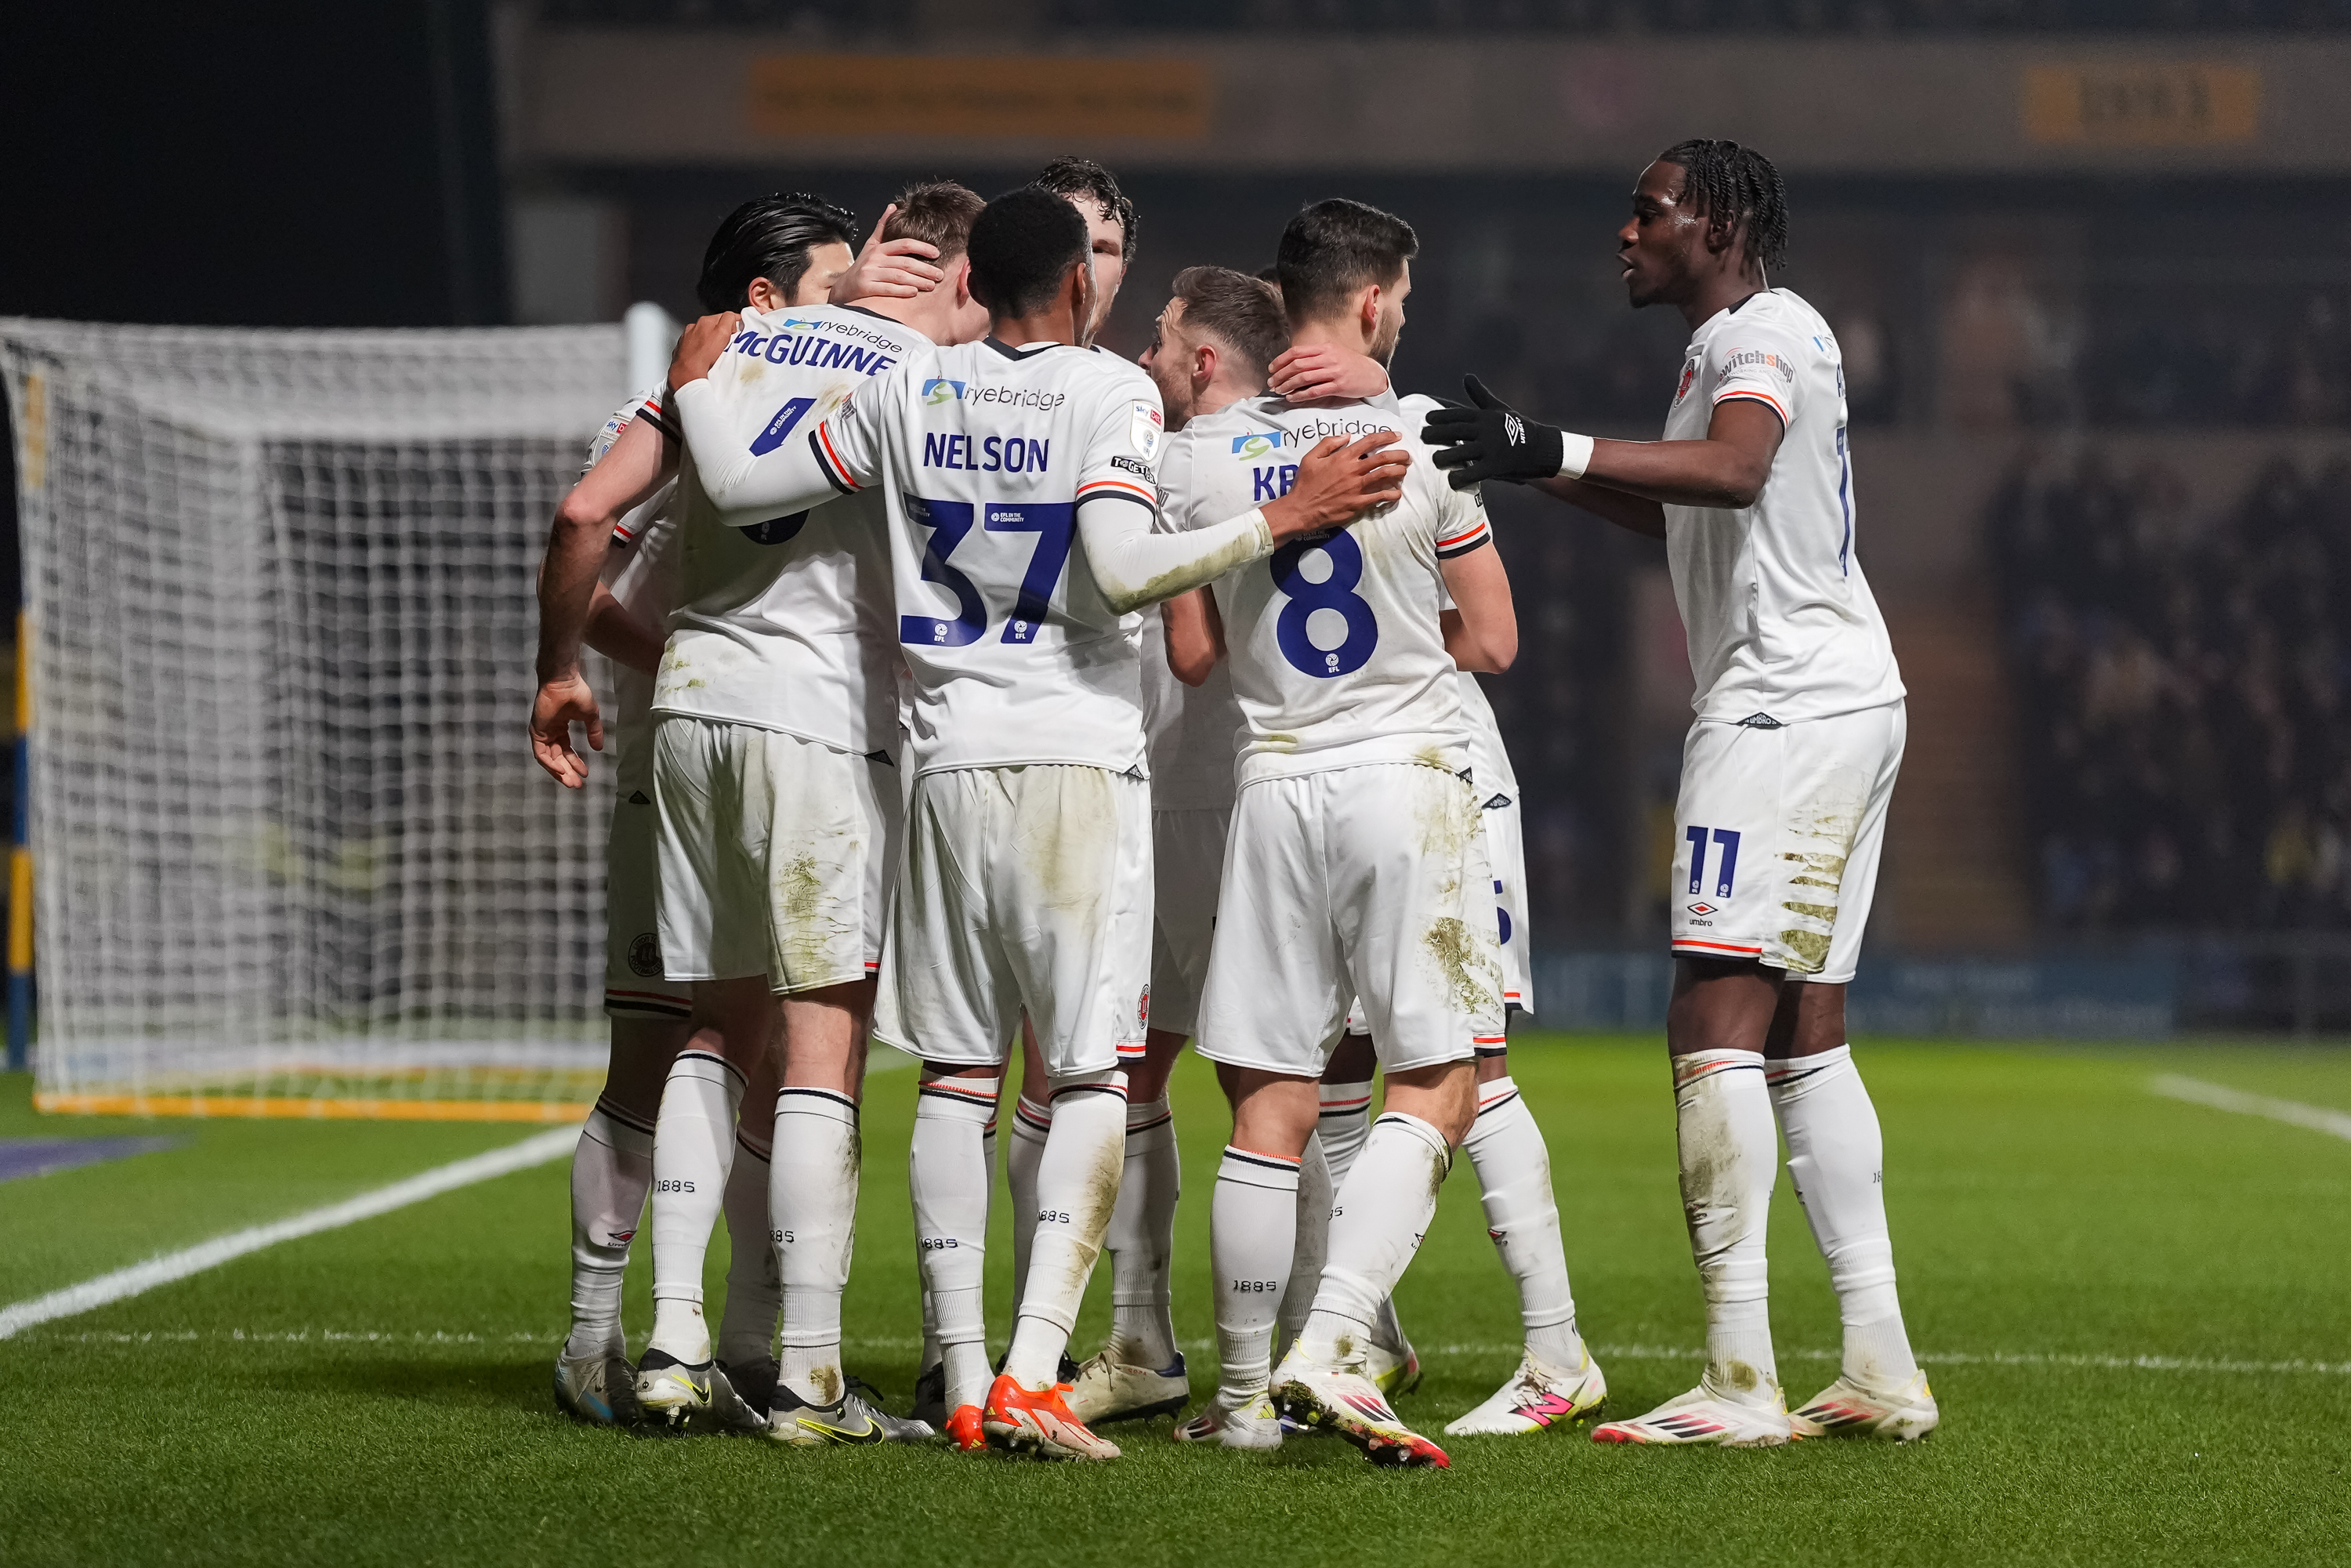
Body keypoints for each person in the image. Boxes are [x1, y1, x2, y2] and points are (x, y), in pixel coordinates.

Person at [665, 185, 1407, 1460]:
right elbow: (1122, 572)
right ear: (1075, 285)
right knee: (1088, 1078)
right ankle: (1026, 1372)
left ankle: (960, 1377)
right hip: (1072, 763)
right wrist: (1282, 516)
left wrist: (698, 373)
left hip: (944, 761)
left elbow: (735, 479)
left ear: (974, 282)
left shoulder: (911, 388)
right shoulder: (1107, 393)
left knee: (955, 1077)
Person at [1422, 138, 1935, 1447]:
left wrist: (1558, 437)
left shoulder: (1761, 332)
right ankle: (1877, 1358)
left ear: (1712, 221)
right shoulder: (1746, 339)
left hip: (1778, 707)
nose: (1627, 233)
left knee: (1710, 1012)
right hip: (1843, 694)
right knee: (1802, 1027)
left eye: (1646, 212)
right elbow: (1693, 510)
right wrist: (1542, 465)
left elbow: (1735, 470)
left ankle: (1740, 1372)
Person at [529, 193, 940, 1429]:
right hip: (792, 737)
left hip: (690, 737)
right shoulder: (825, 374)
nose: (853, 295)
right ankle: (751, 1348)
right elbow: (588, 541)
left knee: (695, 1043)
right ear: (762, 296)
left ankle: (650, 1346)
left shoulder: (712, 381)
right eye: (832, 276)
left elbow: (582, 532)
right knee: (791, 1046)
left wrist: (616, 664)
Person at [1168, 197, 1512, 1468]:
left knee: (1269, 1101)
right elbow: (1494, 640)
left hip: (1271, 782)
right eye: (1403, 299)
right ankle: (1340, 1337)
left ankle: (1247, 1395)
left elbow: (1193, 652)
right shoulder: (1426, 438)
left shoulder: (1199, 454)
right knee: (1439, 1077)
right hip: (1404, 777)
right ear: (1371, 304)